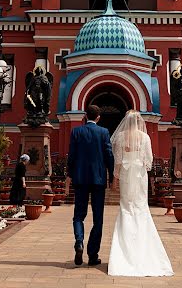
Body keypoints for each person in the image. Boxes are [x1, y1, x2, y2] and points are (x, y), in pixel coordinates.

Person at [108, 110, 173, 277]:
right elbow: (148, 161)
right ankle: (144, 248)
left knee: (126, 206)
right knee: (140, 207)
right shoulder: (145, 137)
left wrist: (114, 180)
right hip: (139, 174)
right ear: (139, 122)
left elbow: (118, 161)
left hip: (126, 174)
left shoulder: (121, 137)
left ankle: (124, 251)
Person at [67, 104, 114, 267]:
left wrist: (69, 175)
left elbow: (71, 155)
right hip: (98, 179)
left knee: (78, 215)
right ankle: (93, 254)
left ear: (85, 116)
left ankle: (79, 242)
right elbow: (109, 154)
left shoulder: (76, 132)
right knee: (98, 218)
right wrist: (111, 175)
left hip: (80, 179)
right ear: (98, 118)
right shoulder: (104, 132)